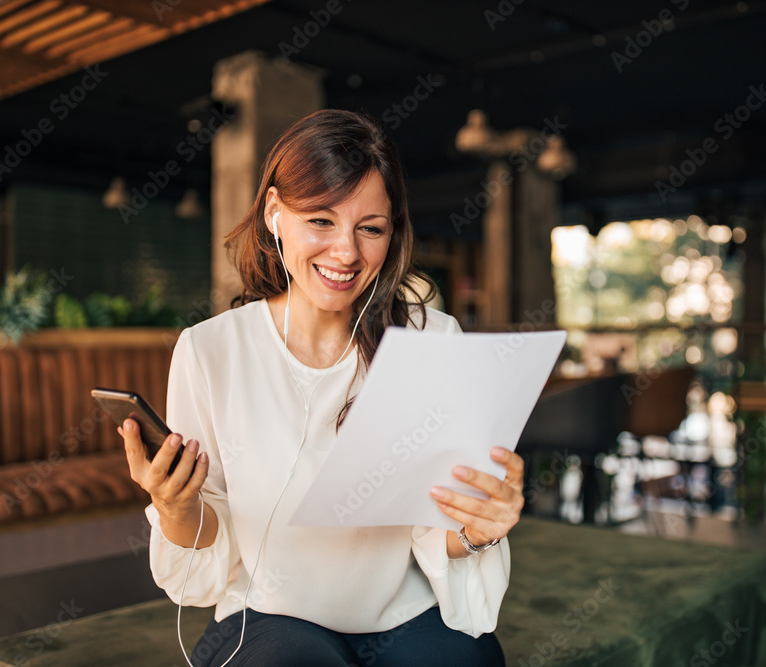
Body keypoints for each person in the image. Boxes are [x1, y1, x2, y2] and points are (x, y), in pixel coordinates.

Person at [120, 109, 525, 666]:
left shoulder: (432, 338)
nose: (346, 253)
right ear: (274, 213)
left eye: (371, 228)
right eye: (321, 221)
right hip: (269, 616)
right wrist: (175, 507)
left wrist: (481, 529)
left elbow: (440, 532)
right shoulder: (209, 349)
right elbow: (207, 535)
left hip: (404, 614)